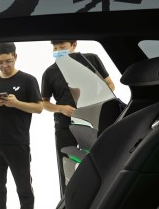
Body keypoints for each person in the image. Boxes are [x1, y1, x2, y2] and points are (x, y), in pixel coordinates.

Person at [41, 39, 115, 190]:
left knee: (100, 161)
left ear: (74, 45)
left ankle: (103, 195)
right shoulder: (50, 72)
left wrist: (93, 101)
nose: (58, 51)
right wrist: (60, 108)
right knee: (66, 165)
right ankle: (67, 200)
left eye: (62, 47)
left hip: (93, 120)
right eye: (55, 48)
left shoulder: (91, 59)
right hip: (65, 124)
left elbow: (110, 84)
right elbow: (44, 103)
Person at [0, 42, 42, 209]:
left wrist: (17, 103)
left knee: (24, 189)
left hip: (18, 143)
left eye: (8, 61)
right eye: (0, 62)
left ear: (15, 56)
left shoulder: (28, 80)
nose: (4, 66)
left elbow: (39, 108)